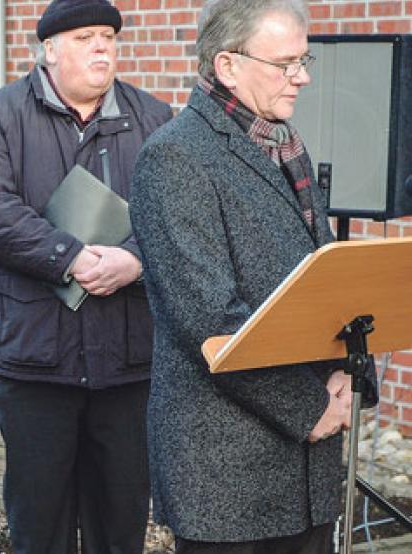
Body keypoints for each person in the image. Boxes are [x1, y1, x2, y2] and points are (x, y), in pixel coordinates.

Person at [129, 1, 356, 552]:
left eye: (304, 60)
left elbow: (324, 287)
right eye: (285, 63)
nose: (301, 77)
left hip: (308, 462)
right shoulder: (176, 158)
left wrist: (347, 372)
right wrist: (310, 408)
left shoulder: (284, 145)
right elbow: (210, 320)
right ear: (228, 66)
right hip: (228, 466)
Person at [0, 1, 172, 551]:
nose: (102, 47)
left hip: (128, 365)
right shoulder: (0, 116)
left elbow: (176, 215)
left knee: (120, 522)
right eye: (84, 37)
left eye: (108, 36)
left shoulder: (155, 119)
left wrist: (136, 261)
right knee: (40, 524)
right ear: (49, 50)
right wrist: (71, 257)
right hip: (36, 364)